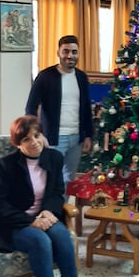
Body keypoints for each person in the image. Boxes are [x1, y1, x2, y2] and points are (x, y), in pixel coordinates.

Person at [0, 115, 90, 277]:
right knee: (40, 241)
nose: (34, 142)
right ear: (17, 143)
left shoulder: (54, 158)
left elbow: (57, 191)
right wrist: (31, 221)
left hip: (45, 215)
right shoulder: (6, 165)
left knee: (61, 236)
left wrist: (48, 210)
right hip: (13, 223)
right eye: (27, 139)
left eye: (37, 136)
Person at [25, 35, 93, 185]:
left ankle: (63, 209)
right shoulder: (45, 77)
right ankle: (49, 209)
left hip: (76, 139)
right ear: (58, 53)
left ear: (78, 53)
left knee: (68, 179)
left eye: (74, 52)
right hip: (53, 138)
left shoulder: (81, 77)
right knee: (50, 179)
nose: (70, 55)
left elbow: (86, 108)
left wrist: (88, 135)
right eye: (66, 51)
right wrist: (35, 134)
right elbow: (31, 106)